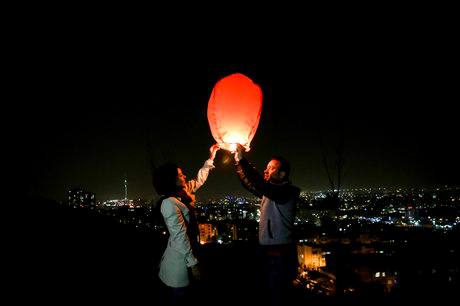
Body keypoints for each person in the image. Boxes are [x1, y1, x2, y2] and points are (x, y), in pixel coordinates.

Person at [231, 144, 300, 306]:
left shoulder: (287, 192)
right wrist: (238, 162)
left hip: (280, 250)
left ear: (282, 174)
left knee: (278, 294)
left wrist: (243, 160)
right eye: (267, 167)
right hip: (267, 248)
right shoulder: (270, 191)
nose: (267, 170)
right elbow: (250, 183)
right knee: (268, 291)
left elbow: (260, 184)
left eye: (272, 168)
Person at [152, 144, 220, 305]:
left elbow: (199, 180)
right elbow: (180, 236)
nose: (184, 177)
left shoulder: (183, 193)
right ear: (172, 180)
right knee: (179, 297)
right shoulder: (169, 202)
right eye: (181, 175)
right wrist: (193, 263)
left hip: (188, 252)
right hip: (179, 260)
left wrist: (211, 158)